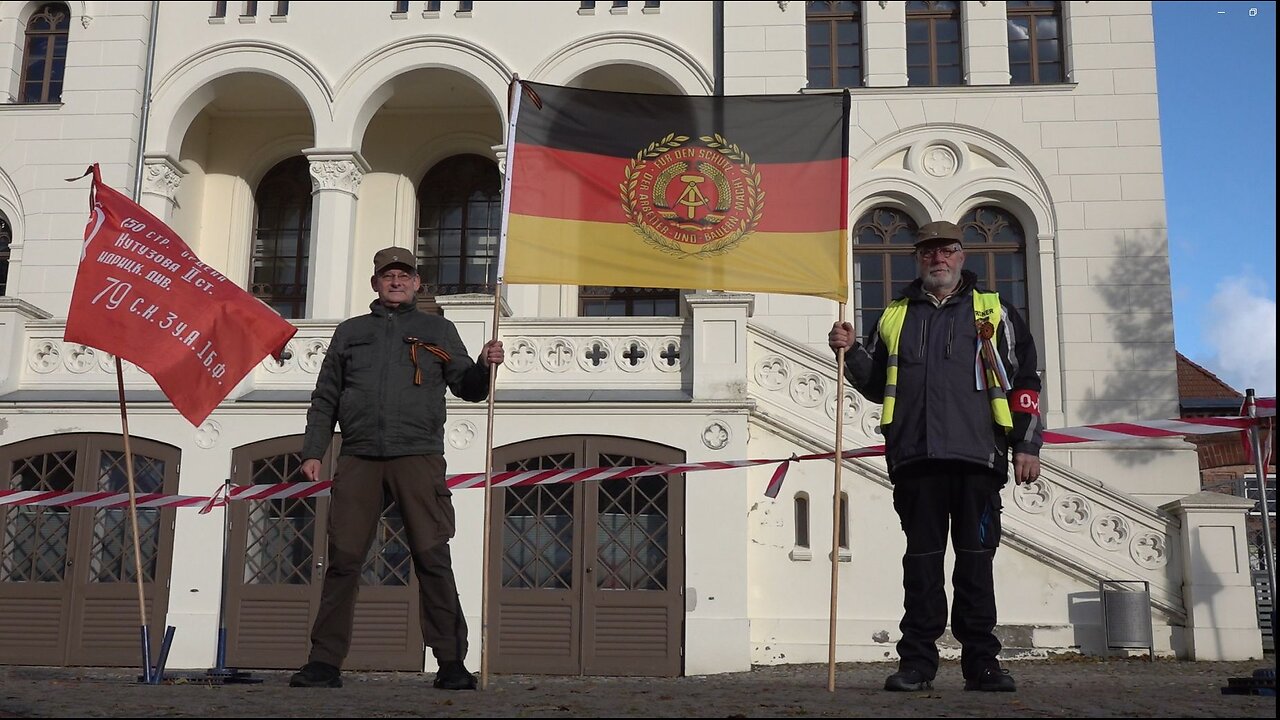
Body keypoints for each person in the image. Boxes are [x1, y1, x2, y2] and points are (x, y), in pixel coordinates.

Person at [828, 220, 1043, 693]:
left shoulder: (995, 310)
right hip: (915, 458)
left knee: (974, 566)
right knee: (921, 567)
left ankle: (982, 665)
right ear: (918, 259)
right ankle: (917, 665)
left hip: (979, 459)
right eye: (928, 252)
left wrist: (1027, 445)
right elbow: (872, 381)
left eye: (945, 251)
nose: (937, 259)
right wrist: (849, 352)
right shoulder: (894, 313)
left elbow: (1026, 380)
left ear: (962, 256)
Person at [289, 246, 504, 690]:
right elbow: (325, 396)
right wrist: (313, 451)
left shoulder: (438, 329)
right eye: (388, 275)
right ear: (375, 283)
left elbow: (467, 387)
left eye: (404, 275)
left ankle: (451, 664)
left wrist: (485, 365)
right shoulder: (350, 333)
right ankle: (324, 663)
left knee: (432, 557)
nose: (396, 281)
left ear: (417, 283)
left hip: (418, 456)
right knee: (344, 560)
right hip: (359, 457)